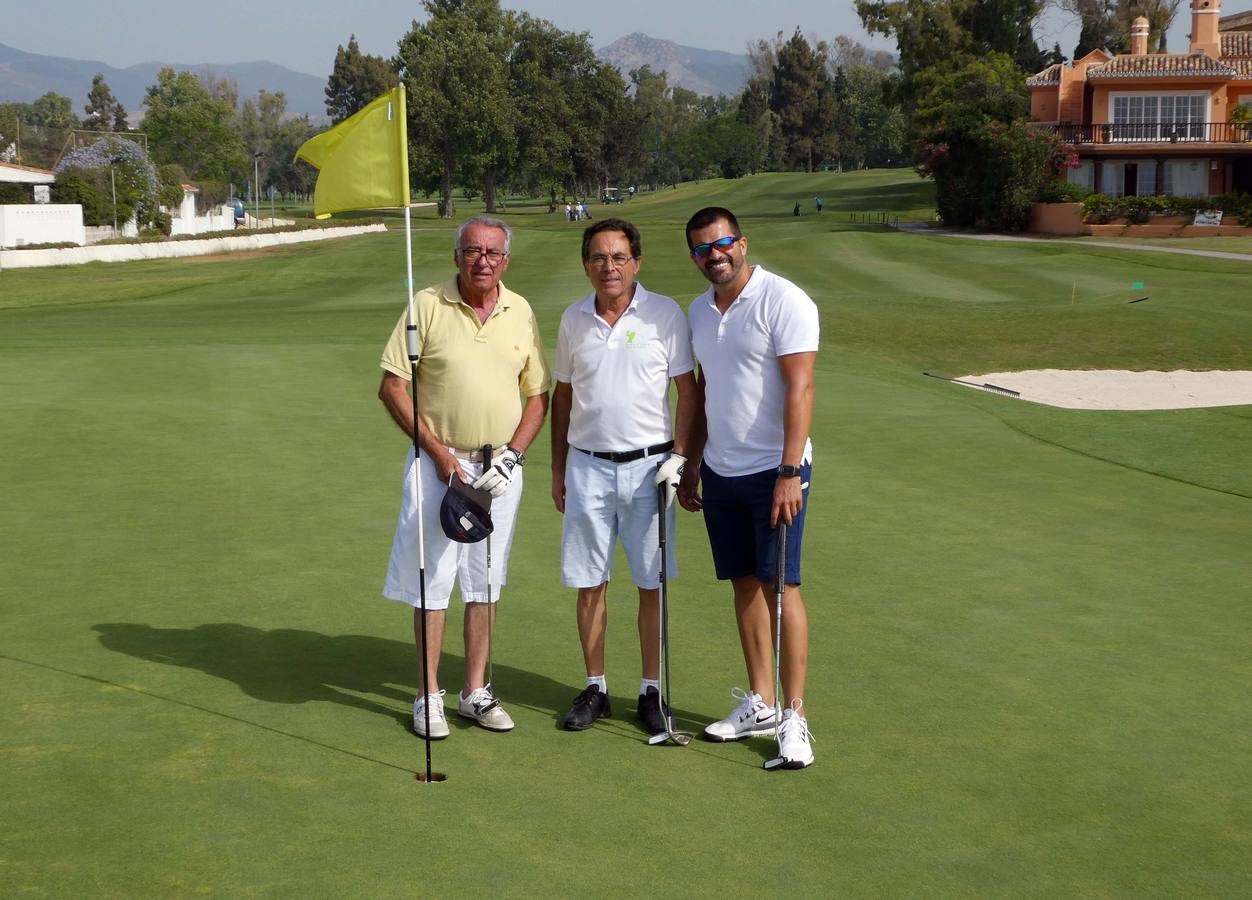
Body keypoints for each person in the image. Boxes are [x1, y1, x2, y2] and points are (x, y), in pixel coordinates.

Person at [378, 215, 551, 740]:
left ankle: (474, 691)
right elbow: (392, 386)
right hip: (440, 466)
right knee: (433, 583)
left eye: (493, 253)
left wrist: (514, 456)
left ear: (506, 259)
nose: (483, 261)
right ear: (457, 256)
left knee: (485, 584)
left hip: (499, 469)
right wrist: (435, 452)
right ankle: (428, 696)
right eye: (473, 251)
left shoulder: (519, 311)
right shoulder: (427, 305)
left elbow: (537, 396)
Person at [678, 206, 819, 770]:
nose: (715, 255)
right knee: (743, 585)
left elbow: (801, 387)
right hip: (721, 470)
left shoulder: (784, 300)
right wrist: (691, 464)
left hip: (774, 471)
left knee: (781, 587)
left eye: (723, 243)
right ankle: (760, 702)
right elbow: (710, 392)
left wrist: (789, 472)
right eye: (702, 249)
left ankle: (795, 717)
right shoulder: (698, 311)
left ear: (742, 241)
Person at [551, 218, 697, 734]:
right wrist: (558, 469)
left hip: (650, 468)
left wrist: (682, 457)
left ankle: (650, 691)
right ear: (585, 263)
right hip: (586, 464)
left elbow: (687, 390)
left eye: (618, 257)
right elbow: (562, 397)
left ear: (636, 261)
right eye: (597, 257)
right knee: (590, 583)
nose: (607, 267)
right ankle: (596, 687)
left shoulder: (665, 314)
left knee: (649, 583)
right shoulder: (573, 319)